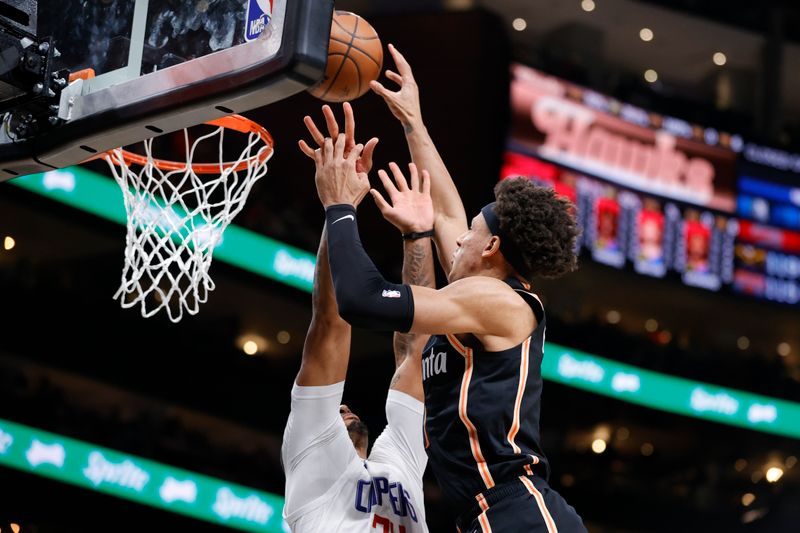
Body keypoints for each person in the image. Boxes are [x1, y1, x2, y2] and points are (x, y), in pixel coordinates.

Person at [309, 45, 586, 532]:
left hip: (517, 512)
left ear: (491, 247)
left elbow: (361, 299)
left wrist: (340, 207)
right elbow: (442, 210)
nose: (459, 236)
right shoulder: (479, 292)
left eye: (472, 231)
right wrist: (412, 121)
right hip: (485, 514)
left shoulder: (496, 301)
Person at [282, 104, 434, 532]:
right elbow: (332, 325)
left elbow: (414, 351)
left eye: (340, 406)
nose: (343, 406)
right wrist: (340, 208)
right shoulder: (314, 453)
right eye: (337, 408)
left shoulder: (396, 463)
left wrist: (416, 236)